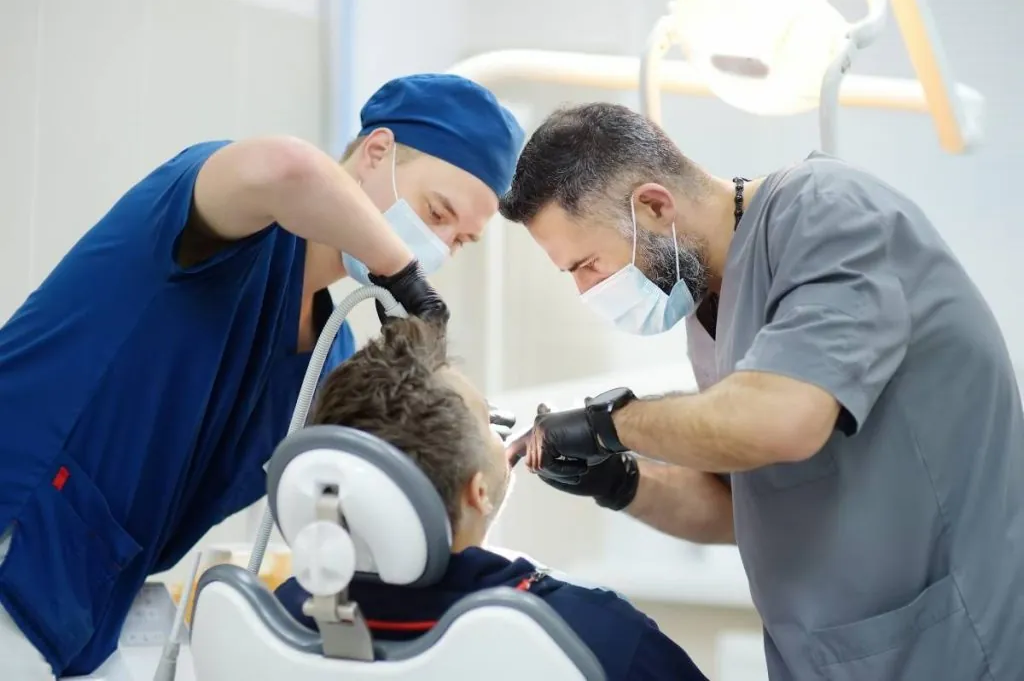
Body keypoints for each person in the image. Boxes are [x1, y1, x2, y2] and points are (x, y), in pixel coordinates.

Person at [0, 73, 523, 679]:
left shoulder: (329, 354)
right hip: (20, 536)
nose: (436, 247)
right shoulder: (225, 219)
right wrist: (401, 273)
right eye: (437, 213)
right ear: (376, 153)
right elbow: (288, 166)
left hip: (85, 607)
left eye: (458, 241)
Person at [497, 102, 1024, 681]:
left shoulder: (825, 212)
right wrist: (620, 480)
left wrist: (610, 423)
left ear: (652, 206)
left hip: (951, 649)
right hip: (829, 656)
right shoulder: (707, 306)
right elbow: (748, 511)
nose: (586, 291)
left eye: (588, 264)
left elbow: (782, 421)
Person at [274, 317, 708, 681]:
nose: (503, 428)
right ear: (478, 491)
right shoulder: (593, 634)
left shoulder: (286, 618)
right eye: (487, 418)